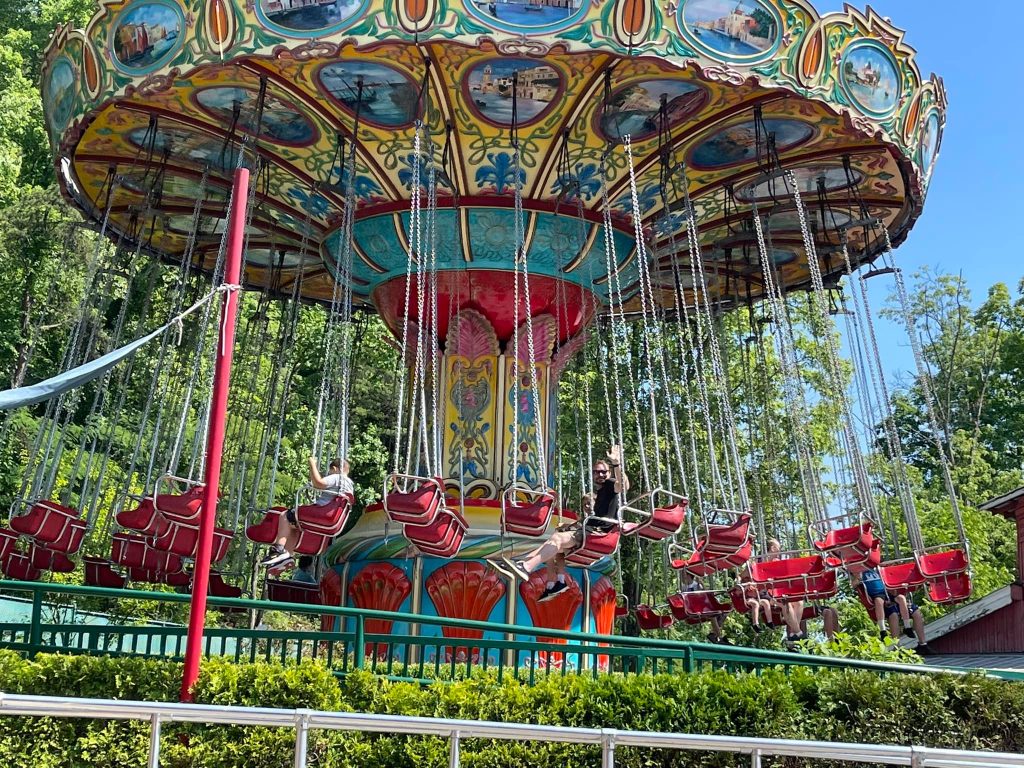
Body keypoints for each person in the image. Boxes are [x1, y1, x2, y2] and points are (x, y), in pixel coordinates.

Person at [502, 446, 629, 601]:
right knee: (554, 543)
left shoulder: (610, 486)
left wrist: (616, 464)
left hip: (597, 532)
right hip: (590, 529)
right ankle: (539, 573)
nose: (600, 475)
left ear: (609, 473)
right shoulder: (601, 492)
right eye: (597, 472)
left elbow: (623, 486)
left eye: (604, 472)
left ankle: (526, 567)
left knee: (557, 540)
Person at [261, 458, 353, 569]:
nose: (329, 474)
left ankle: (278, 548)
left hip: (324, 513)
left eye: (329, 472)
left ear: (334, 469)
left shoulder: (337, 477)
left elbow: (318, 483)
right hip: (334, 519)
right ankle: (288, 555)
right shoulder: (349, 484)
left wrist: (312, 465)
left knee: (285, 515)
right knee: (294, 525)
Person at [851, 566, 889, 638]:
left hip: (883, 590)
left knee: (881, 601)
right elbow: (853, 584)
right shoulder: (860, 573)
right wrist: (857, 577)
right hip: (872, 594)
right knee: (878, 601)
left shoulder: (875, 568)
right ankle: (883, 629)